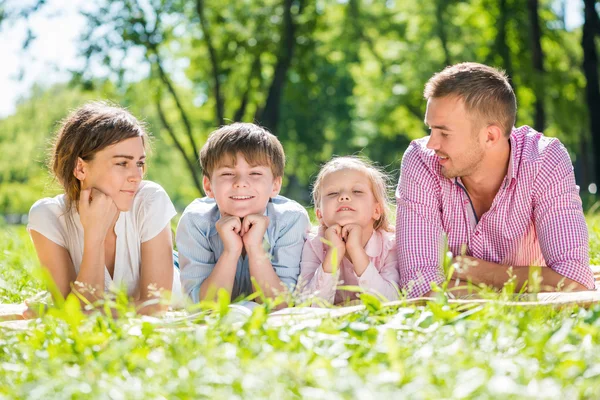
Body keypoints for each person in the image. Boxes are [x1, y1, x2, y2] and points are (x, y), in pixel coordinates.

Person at [396, 62, 595, 298]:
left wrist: (479, 273)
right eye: (431, 130)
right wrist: (523, 286)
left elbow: (575, 282)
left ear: (490, 136)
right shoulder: (421, 160)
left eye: (444, 133)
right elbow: (420, 284)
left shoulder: (544, 159)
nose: (431, 144)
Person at [27, 102, 180, 313]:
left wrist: (61, 311)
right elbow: (76, 318)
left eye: (139, 163)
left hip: (180, 274)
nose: (136, 176)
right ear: (80, 168)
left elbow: (156, 307)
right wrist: (94, 237)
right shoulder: (48, 216)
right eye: (122, 163)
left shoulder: (150, 200)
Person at [176, 123, 310, 303]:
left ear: (275, 185)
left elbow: (281, 305)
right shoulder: (195, 221)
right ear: (208, 186)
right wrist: (231, 251)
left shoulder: (291, 219)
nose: (241, 183)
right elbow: (203, 308)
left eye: (255, 173)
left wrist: (255, 248)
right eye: (227, 173)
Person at [299, 156, 399, 305]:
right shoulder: (314, 244)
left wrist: (355, 250)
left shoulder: (390, 244)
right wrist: (334, 253)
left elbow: (390, 302)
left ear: (376, 210)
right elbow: (307, 305)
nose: (344, 197)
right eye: (333, 193)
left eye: (357, 191)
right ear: (320, 215)